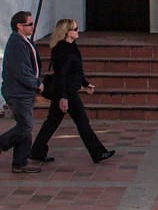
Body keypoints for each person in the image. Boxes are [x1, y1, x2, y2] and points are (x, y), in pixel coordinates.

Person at [28, 19, 114, 164]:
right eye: (75, 29)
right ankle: (98, 152)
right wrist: (63, 97)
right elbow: (61, 75)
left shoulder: (71, 47)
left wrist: (85, 84)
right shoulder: (63, 49)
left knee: (52, 122)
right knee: (81, 121)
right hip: (66, 91)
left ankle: (36, 151)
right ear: (66, 32)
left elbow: (75, 72)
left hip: (66, 90)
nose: (77, 31)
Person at [0, 11, 43, 174]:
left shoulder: (23, 41)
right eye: (29, 24)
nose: (33, 27)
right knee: (26, 126)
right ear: (19, 26)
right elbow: (21, 70)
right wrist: (36, 84)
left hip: (24, 92)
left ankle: (20, 162)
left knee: (24, 125)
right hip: (17, 92)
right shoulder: (17, 43)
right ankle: (2, 144)